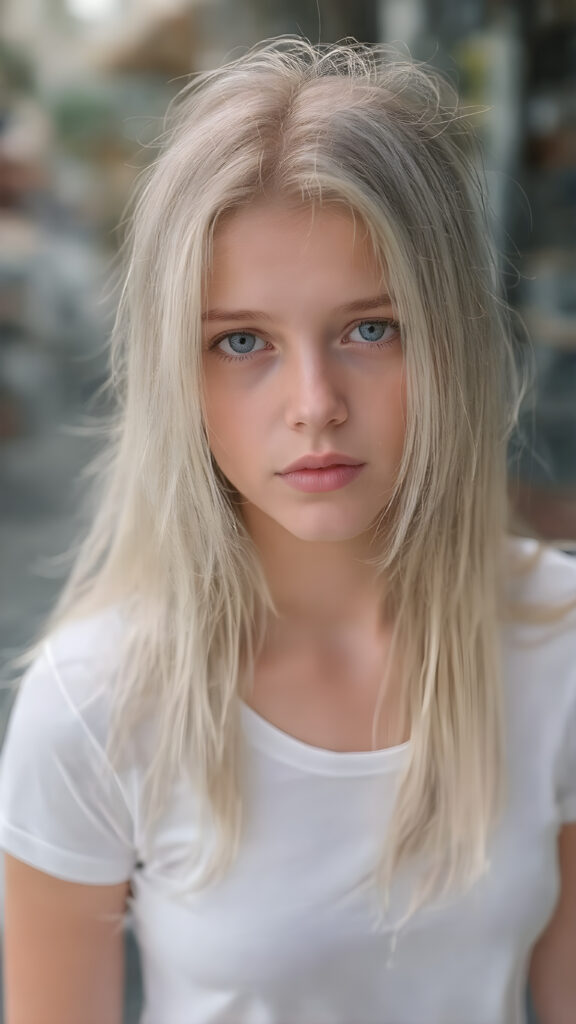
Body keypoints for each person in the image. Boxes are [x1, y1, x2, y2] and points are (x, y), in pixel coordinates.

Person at [0, 37, 574, 1024]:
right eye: (243, 342)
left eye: (368, 329)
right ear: (178, 373)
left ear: (448, 339)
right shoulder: (94, 701)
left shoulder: (557, 639)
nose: (315, 404)